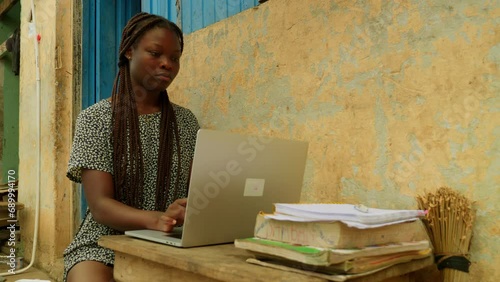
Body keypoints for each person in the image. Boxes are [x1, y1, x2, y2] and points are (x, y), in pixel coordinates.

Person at [63, 12, 200, 282]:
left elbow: (197, 192)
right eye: (155, 53)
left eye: (174, 58)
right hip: (103, 244)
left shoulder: (185, 122)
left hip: (169, 240)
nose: (167, 64)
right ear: (128, 51)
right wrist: (157, 218)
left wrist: (184, 212)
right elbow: (101, 205)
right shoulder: (96, 119)